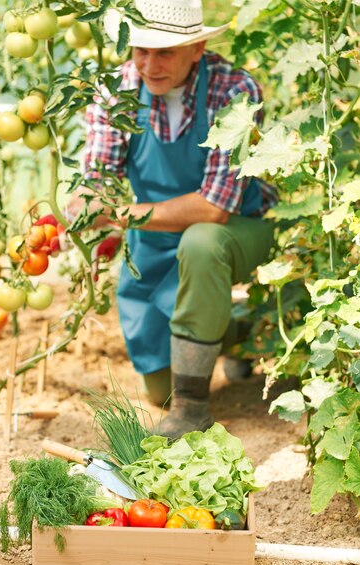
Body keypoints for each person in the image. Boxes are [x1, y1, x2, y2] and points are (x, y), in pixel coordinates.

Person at [77, 0, 277, 438]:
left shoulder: (233, 89)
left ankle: (192, 410)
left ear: (197, 46)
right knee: (156, 392)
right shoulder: (117, 91)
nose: (150, 64)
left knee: (202, 242)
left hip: (236, 228)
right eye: (141, 50)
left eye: (165, 52)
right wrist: (79, 214)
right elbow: (99, 181)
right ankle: (238, 329)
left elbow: (214, 207)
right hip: (155, 236)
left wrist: (114, 215)